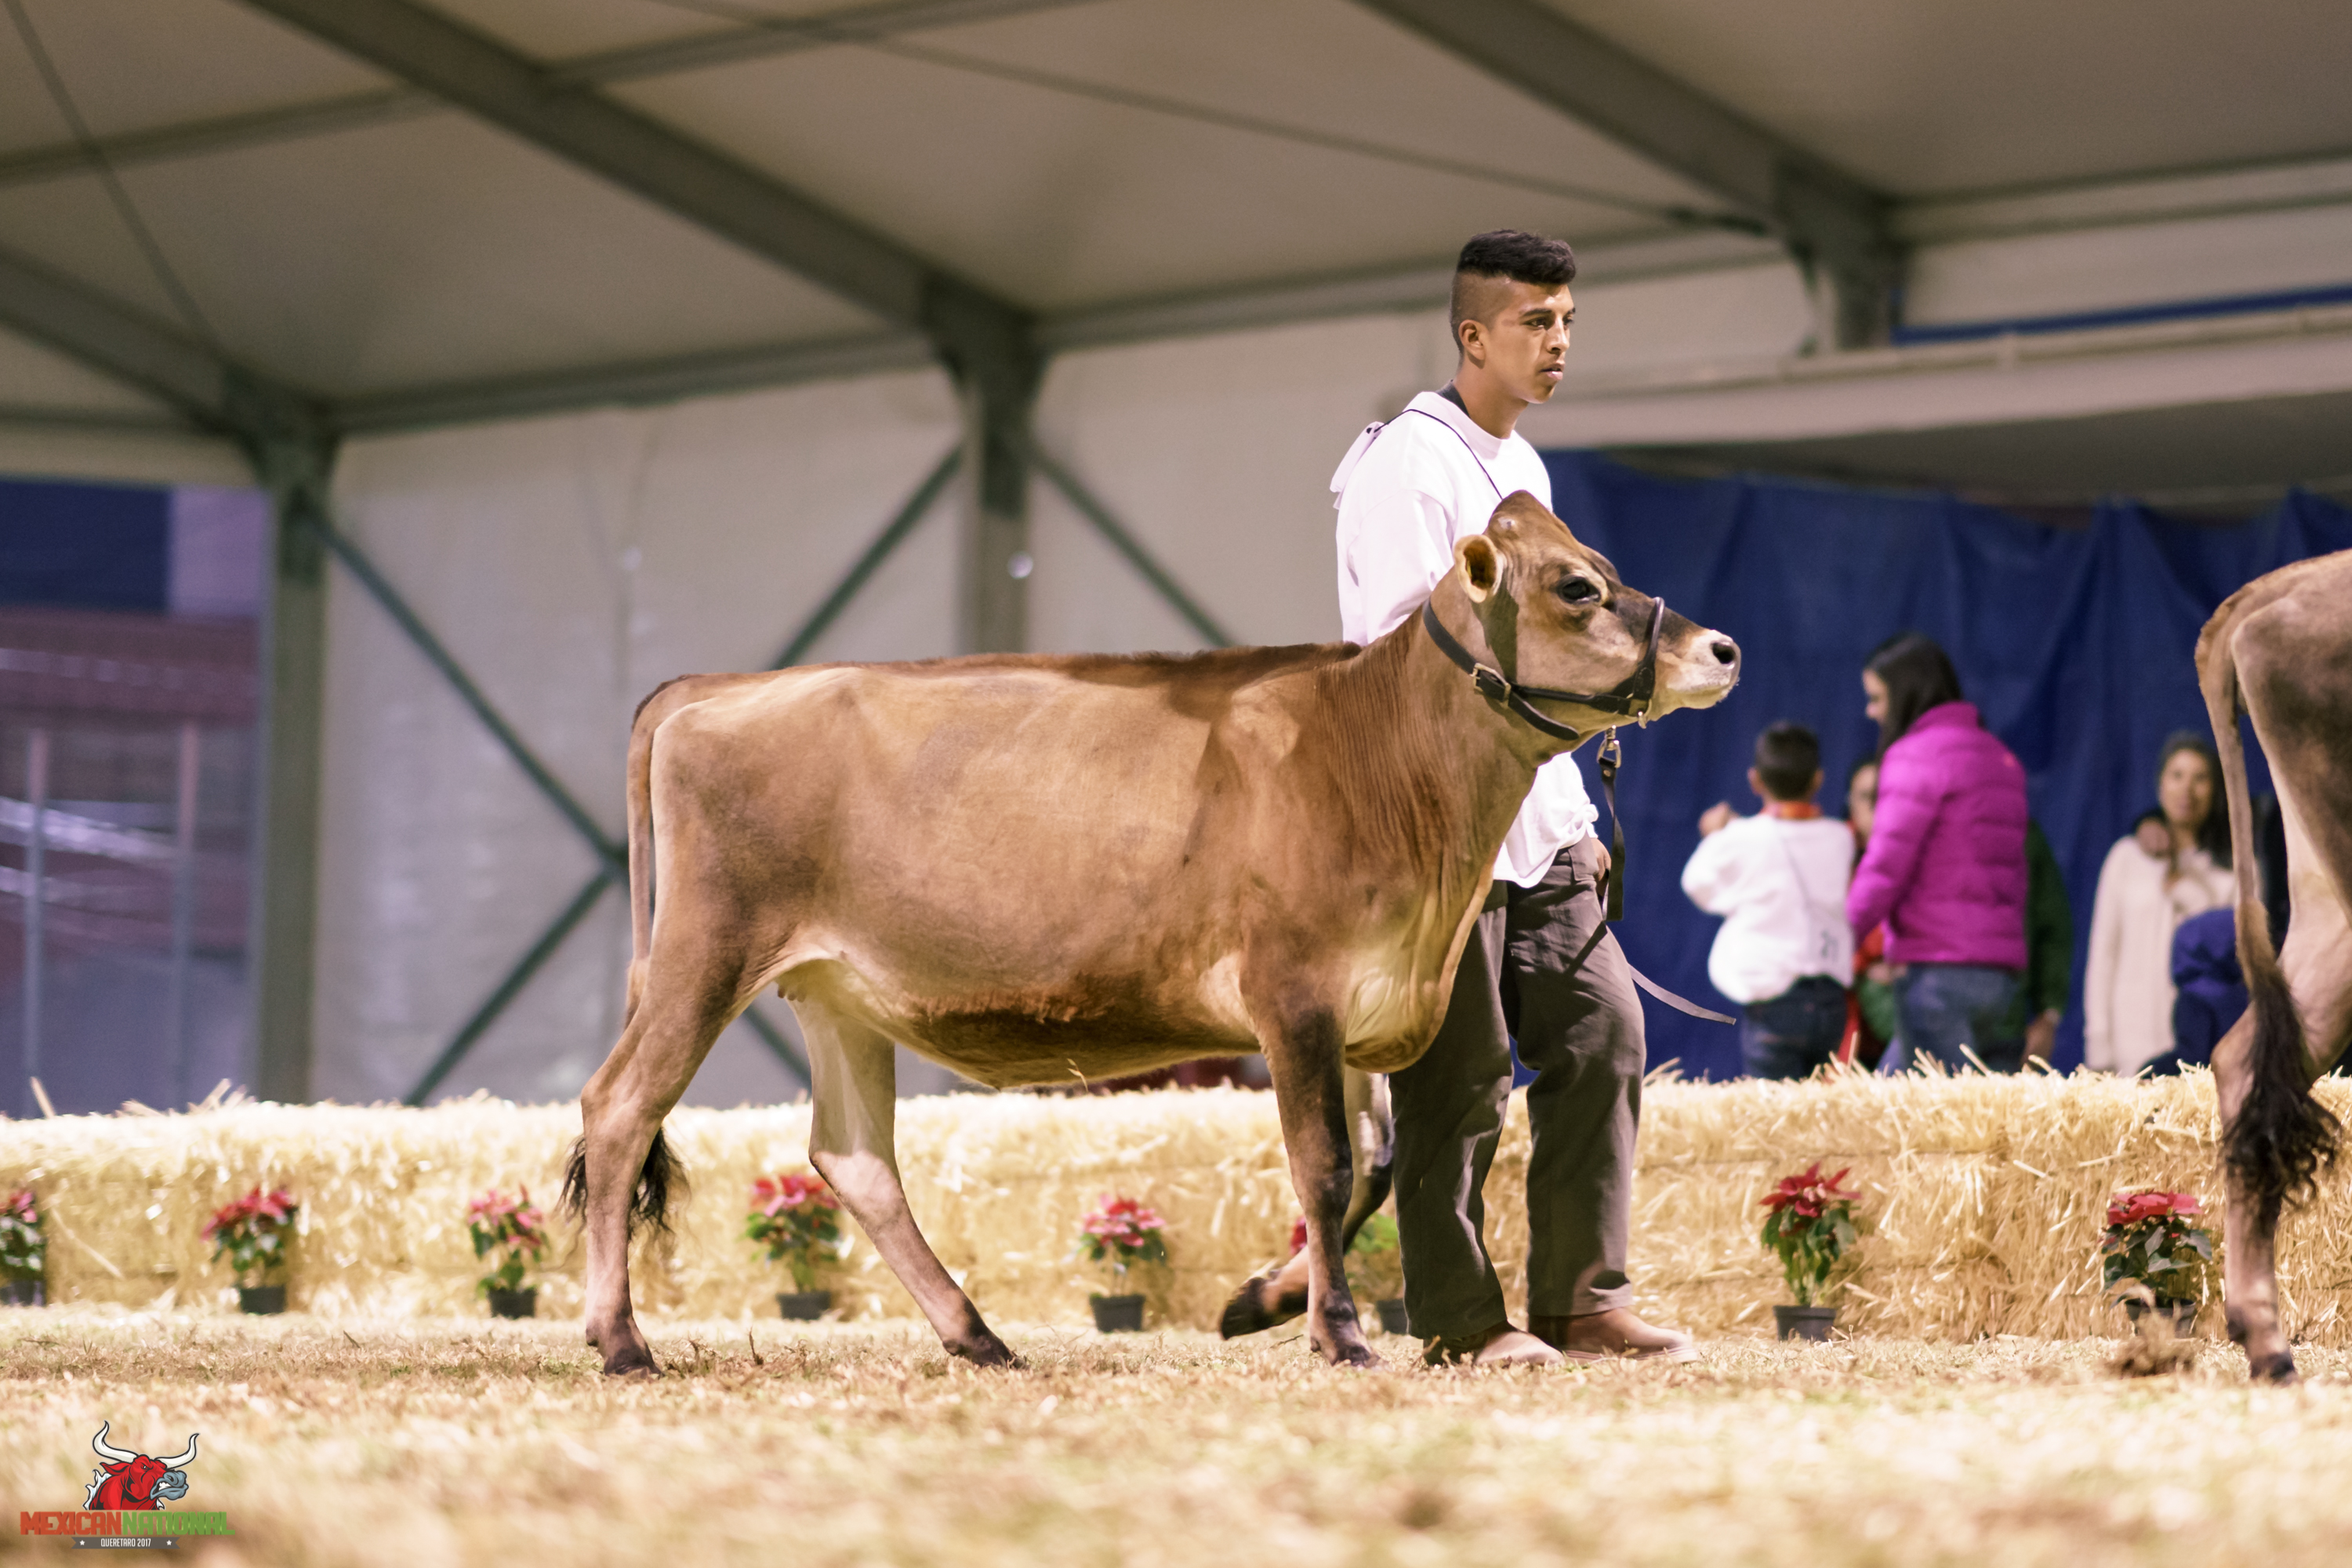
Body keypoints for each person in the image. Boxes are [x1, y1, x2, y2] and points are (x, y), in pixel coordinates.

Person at [1332, 229, 1693, 1367]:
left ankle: (1583, 1300)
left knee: (1605, 1034)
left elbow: (1545, 653)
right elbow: (1403, 655)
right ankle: (1462, 1320)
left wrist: (1573, 813)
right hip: (1439, 821)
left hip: (1540, 815)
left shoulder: (1524, 468)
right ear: (1474, 335)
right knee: (1463, 1075)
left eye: (1568, 321)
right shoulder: (1410, 463)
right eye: (1537, 322)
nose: (1559, 342)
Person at [1845, 634, 2031, 1073]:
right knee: (1907, 1103)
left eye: (1877, 698)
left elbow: (1885, 868)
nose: (1871, 711)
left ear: (1905, 693)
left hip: (1937, 975)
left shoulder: (1914, 757)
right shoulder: (2000, 758)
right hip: (2002, 982)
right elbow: (2019, 874)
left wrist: (1836, 943)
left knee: (1921, 1114)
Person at [1682, 723, 1855, 1080]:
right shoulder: (1841, 838)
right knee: (1821, 1103)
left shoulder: (1740, 838)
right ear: (1818, 780)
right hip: (1830, 998)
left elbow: (1696, 882)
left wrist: (1716, 836)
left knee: (1772, 1106)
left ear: (1755, 780)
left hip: (1776, 1001)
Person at [2083, 733, 2234, 1078]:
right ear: (2160, 784)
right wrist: (2098, 1047)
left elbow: (2226, 957)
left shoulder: (2231, 869)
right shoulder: (2126, 858)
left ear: (2216, 790)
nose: (2187, 789)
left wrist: (2184, 887)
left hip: (2201, 1050)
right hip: (2128, 1046)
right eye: (2177, 775)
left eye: (2200, 778)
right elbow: (2103, 955)